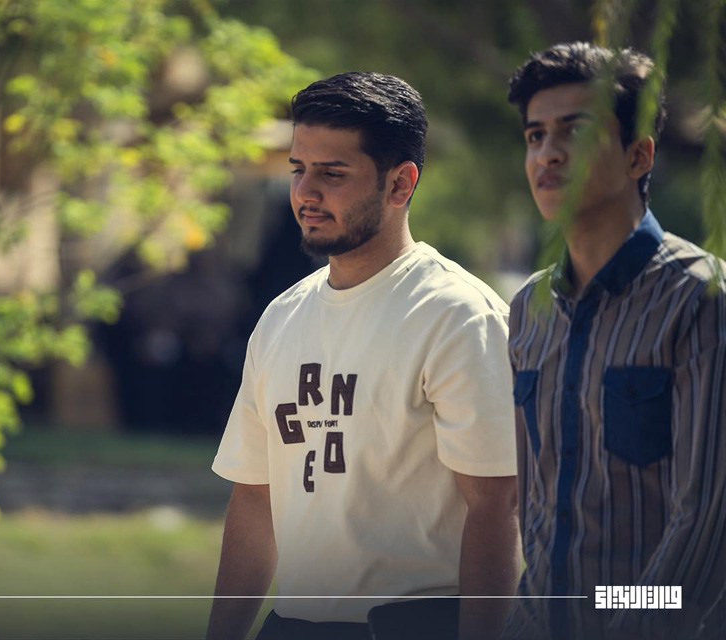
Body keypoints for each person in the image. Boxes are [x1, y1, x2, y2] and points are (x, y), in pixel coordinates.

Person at [206, 71, 521, 640]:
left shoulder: (459, 317)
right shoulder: (281, 317)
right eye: (298, 170)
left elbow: (497, 507)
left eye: (332, 174)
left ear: (400, 183)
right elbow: (254, 496)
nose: (306, 192)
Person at [502, 42, 726, 640]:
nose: (548, 154)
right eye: (535, 136)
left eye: (573, 131)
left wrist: (627, 623)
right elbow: (532, 500)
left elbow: (705, 520)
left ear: (638, 155)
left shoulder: (700, 299)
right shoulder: (528, 311)